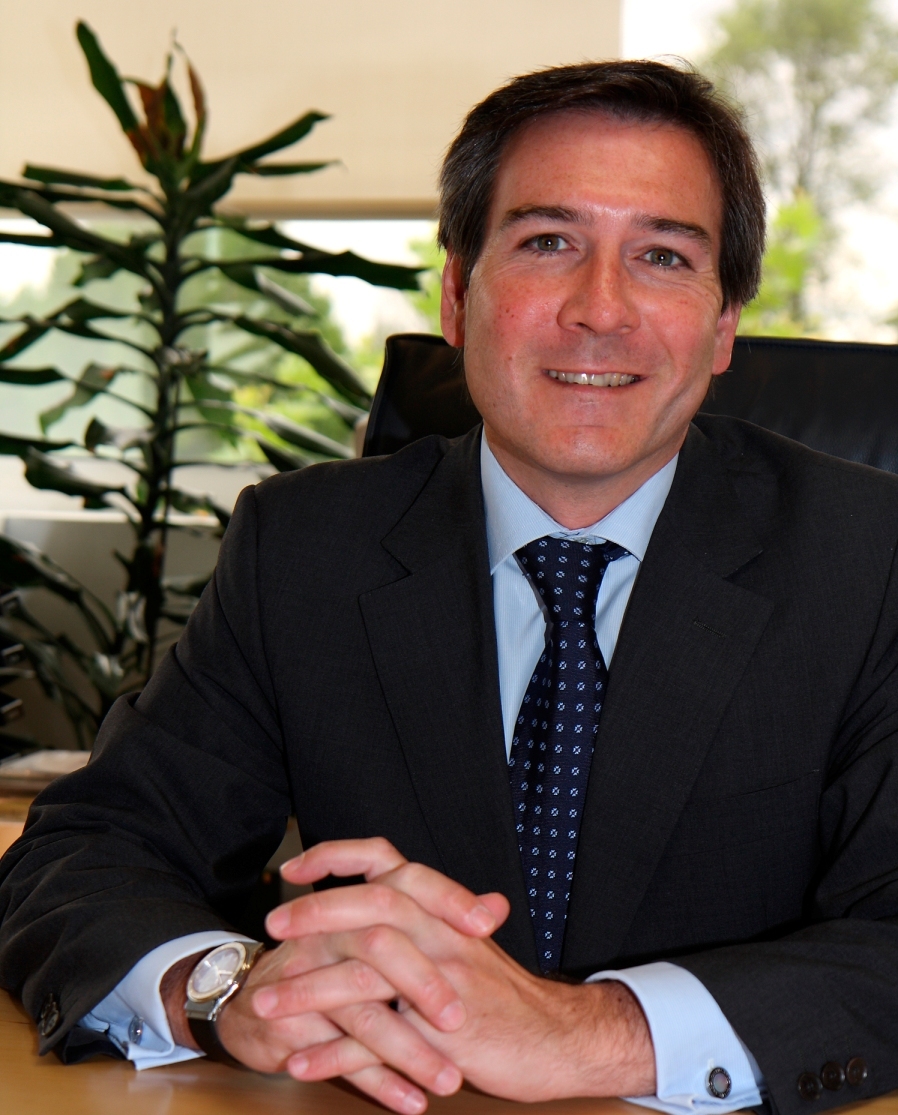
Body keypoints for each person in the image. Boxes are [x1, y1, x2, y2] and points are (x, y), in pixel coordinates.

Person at [2, 58, 898, 1115]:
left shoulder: (868, 557)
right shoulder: (305, 547)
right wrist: (227, 988)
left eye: (662, 255)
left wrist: (591, 1032)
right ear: (458, 295)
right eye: (548, 241)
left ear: (723, 323)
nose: (599, 309)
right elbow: (90, 847)